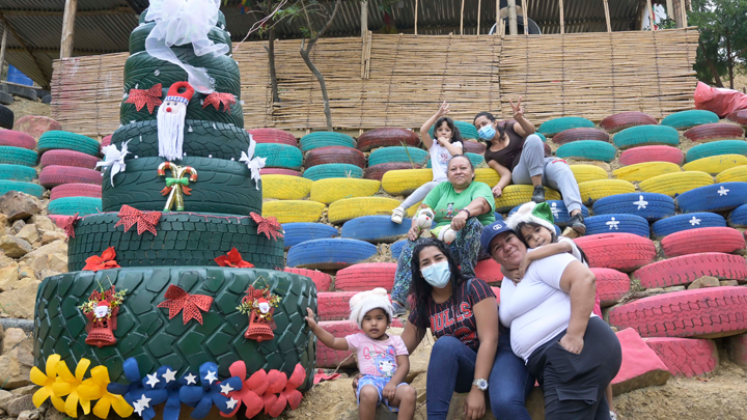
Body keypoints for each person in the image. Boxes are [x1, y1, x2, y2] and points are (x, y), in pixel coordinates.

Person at [481, 221, 622, 420]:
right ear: (494, 257)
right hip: (552, 363)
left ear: (520, 240)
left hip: (573, 350)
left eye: (509, 239)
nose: (506, 246)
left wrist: (574, 335)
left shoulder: (544, 259)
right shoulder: (508, 278)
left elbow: (584, 279)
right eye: (497, 247)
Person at [399, 238, 533, 420]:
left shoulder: (473, 287)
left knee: (504, 402)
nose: (434, 265)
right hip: (468, 363)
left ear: (449, 260)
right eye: (426, 263)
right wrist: (370, 375)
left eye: (439, 258)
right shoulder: (424, 306)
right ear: (421, 273)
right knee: (445, 345)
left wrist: (478, 389)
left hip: (501, 356)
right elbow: (399, 350)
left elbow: (490, 340)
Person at [390, 155, 495, 316]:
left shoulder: (480, 187)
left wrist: (465, 213)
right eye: (453, 169)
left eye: (463, 168)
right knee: (414, 243)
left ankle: (467, 280)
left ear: (472, 173)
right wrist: (415, 228)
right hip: (446, 243)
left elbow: (481, 204)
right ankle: (398, 301)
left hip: (476, 241)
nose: (458, 172)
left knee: (471, 223)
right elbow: (422, 213)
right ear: (447, 175)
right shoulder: (441, 189)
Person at [473, 98, 586, 234]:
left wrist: (520, 119)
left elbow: (530, 131)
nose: (482, 129)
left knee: (561, 168)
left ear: (494, 123)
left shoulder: (510, 127)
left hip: (542, 165)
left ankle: (576, 215)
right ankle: (538, 189)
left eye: (484, 124)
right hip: (521, 173)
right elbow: (505, 174)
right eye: (478, 127)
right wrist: (499, 186)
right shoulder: (490, 154)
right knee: (533, 140)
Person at [305, 288, 417, 420]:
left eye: (379, 318)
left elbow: (404, 365)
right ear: (360, 323)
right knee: (369, 393)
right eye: (368, 319)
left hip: (392, 383)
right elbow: (333, 341)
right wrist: (315, 327)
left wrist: (393, 383)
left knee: (410, 393)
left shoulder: (396, 341)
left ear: (388, 321)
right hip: (369, 382)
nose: (374, 323)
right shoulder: (358, 339)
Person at [391, 101, 464, 224]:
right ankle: (401, 210)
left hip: (453, 184)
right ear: (435, 133)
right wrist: (437, 115)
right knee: (427, 200)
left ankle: (403, 208)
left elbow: (458, 155)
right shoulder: (433, 146)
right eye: (440, 130)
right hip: (438, 185)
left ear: (452, 133)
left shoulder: (456, 144)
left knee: (430, 188)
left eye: (447, 130)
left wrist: (445, 142)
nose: (444, 132)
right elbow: (423, 131)